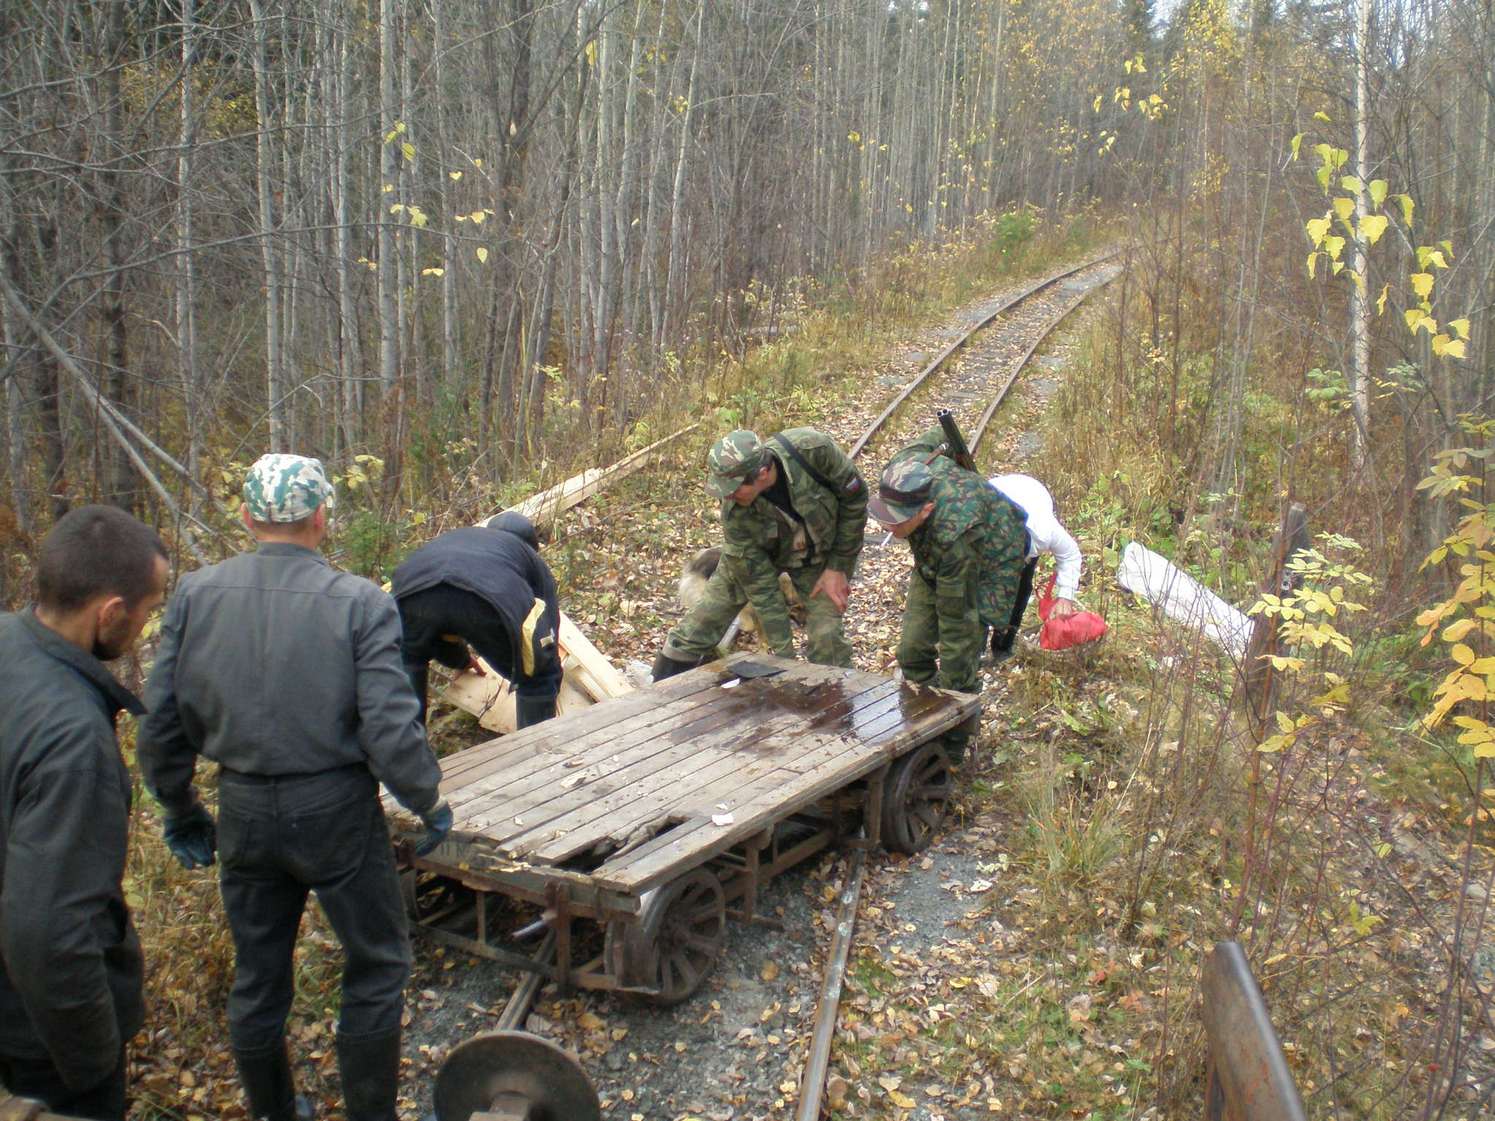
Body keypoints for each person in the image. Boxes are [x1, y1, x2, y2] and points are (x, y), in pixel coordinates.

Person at [137, 454, 451, 1121]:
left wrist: (179, 804)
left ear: (247, 517)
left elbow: (160, 719)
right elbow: (391, 728)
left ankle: (273, 1111)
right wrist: (428, 799)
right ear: (320, 518)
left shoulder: (195, 593)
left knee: (258, 975)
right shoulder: (360, 601)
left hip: (243, 808)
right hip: (336, 811)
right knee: (376, 963)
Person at [0, 506, 169, 1120]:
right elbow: (49, 933)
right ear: (110, 612)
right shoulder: (71, 739)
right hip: (41, 1035)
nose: (145, 627)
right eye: (147, 611)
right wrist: (94, 1065)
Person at [653, 428, 868, 679]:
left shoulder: (812, 450)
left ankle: (834, 704)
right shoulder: (734, 511)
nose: (727, 496)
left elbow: (855, 500)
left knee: (827, 638)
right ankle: (658, 692)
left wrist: (838, 566)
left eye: (734, 488)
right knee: (698, 626)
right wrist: (783, 657)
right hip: (758, 556)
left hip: (818, 558)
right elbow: (762, 587)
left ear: (762, 473)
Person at [869, 430, 1030, 760]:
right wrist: (955, 445)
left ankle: (955, 743)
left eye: (895, 521)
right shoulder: (903, 467)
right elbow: (934, 434)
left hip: (988, 561)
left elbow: (957, 627)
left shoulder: (953, 536)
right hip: (932, 555)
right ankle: (924, 716)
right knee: (911, 650)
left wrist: (954, 687)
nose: (886, 527)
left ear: (925, 510)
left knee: (961, 658)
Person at [390, 512, 562, 729]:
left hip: (411, 591)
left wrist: (460, 660)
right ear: (531, 545)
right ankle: (537, 756)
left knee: (410, 657)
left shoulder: (459, 538)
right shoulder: (529, 557)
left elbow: (442, 608)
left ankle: (407, 755)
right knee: (538, 678)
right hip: (489, 598)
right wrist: (546, 667)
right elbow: (547, 626)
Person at [986, 473, 1083, 659]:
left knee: (1021, 588)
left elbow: (1070, 555)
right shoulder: (983, 523)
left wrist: (1065, 597)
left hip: (1033, 494)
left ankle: (1003, 645)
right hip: (996, 499)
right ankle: (974, 647)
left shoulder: (1045, 530)